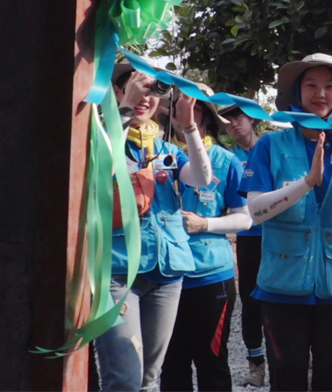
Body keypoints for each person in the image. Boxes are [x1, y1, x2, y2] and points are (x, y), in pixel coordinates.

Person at [240, 53, 332, 392]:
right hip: (282, 286)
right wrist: (306, 182)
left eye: (329, 86)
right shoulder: (270, 144)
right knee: (287, 371)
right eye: (310, 85)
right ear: (296, 92)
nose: (320, 93)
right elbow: (255, 212)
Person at [94, 63, 213, 392]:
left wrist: (189, 128)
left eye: (154, 91)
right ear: (117, 91)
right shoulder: (102, 136)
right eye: (136, 85)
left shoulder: (166, 151)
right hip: (118, 272)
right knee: (123, 380)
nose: (147, 96)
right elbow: (99, 161)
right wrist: (126, 107)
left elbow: (202, 178)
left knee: (149, 380)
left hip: (166, 273)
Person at [160, 84, 252, 392]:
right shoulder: (156, 155)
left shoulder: (227, 161)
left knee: (212, 362)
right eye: (179, 105)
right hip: (163, 275)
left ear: (207, 117)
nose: (187, 110)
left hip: (210, 276)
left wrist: (206, 224)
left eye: (195, 107)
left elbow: (245, 218)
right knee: (171, 365)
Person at [217, 104, 268, 387]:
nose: (234, 124)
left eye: (238, 117)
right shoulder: (228, 158)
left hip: (277, 235)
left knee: (280, 299)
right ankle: (256, 364)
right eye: (228, 120)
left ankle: (294, 360)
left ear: (252, 119)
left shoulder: (271, 147)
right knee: (250, 300)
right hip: (248, 238)